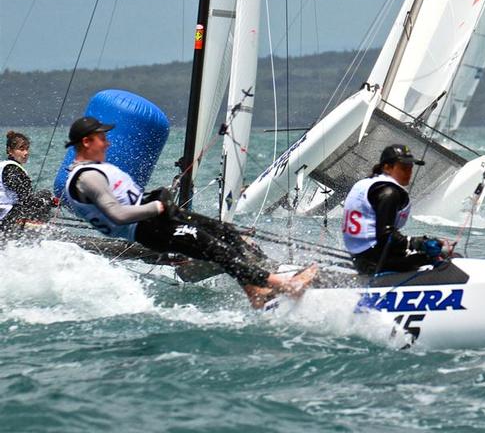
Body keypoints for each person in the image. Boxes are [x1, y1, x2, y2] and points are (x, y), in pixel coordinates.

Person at [61, 116, 313, 308]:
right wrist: (157, 206)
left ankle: (254, 291)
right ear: (86, 141)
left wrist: (157, 200)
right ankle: (282, 284)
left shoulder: (95, 169)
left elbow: (128, 200)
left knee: (224, 232)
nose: (107, 142)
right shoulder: (88, 178)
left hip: (160, 218)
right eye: (102, 138)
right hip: (149, 228)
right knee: (215, 248)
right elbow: (117, 214)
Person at [342, 143, 447, 276]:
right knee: (442, 258)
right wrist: (419, 243)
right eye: (404, 168)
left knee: (437, 254)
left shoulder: (367, 183)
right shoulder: (389, 192)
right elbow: (386, 237)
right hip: (374, 260)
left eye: (410, 168)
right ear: (387, 167)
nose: (409, 173)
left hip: (360, 256)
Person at [0, 131, 55, 235]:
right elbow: (25, 199)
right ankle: (37, 237)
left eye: (27, 149)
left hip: (3, 214)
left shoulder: (3, 166)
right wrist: (48, 201)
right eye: (21, 149)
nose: (26, 153)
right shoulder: (12, 169)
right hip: (8, 218)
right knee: (45, 195)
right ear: (10, 151)